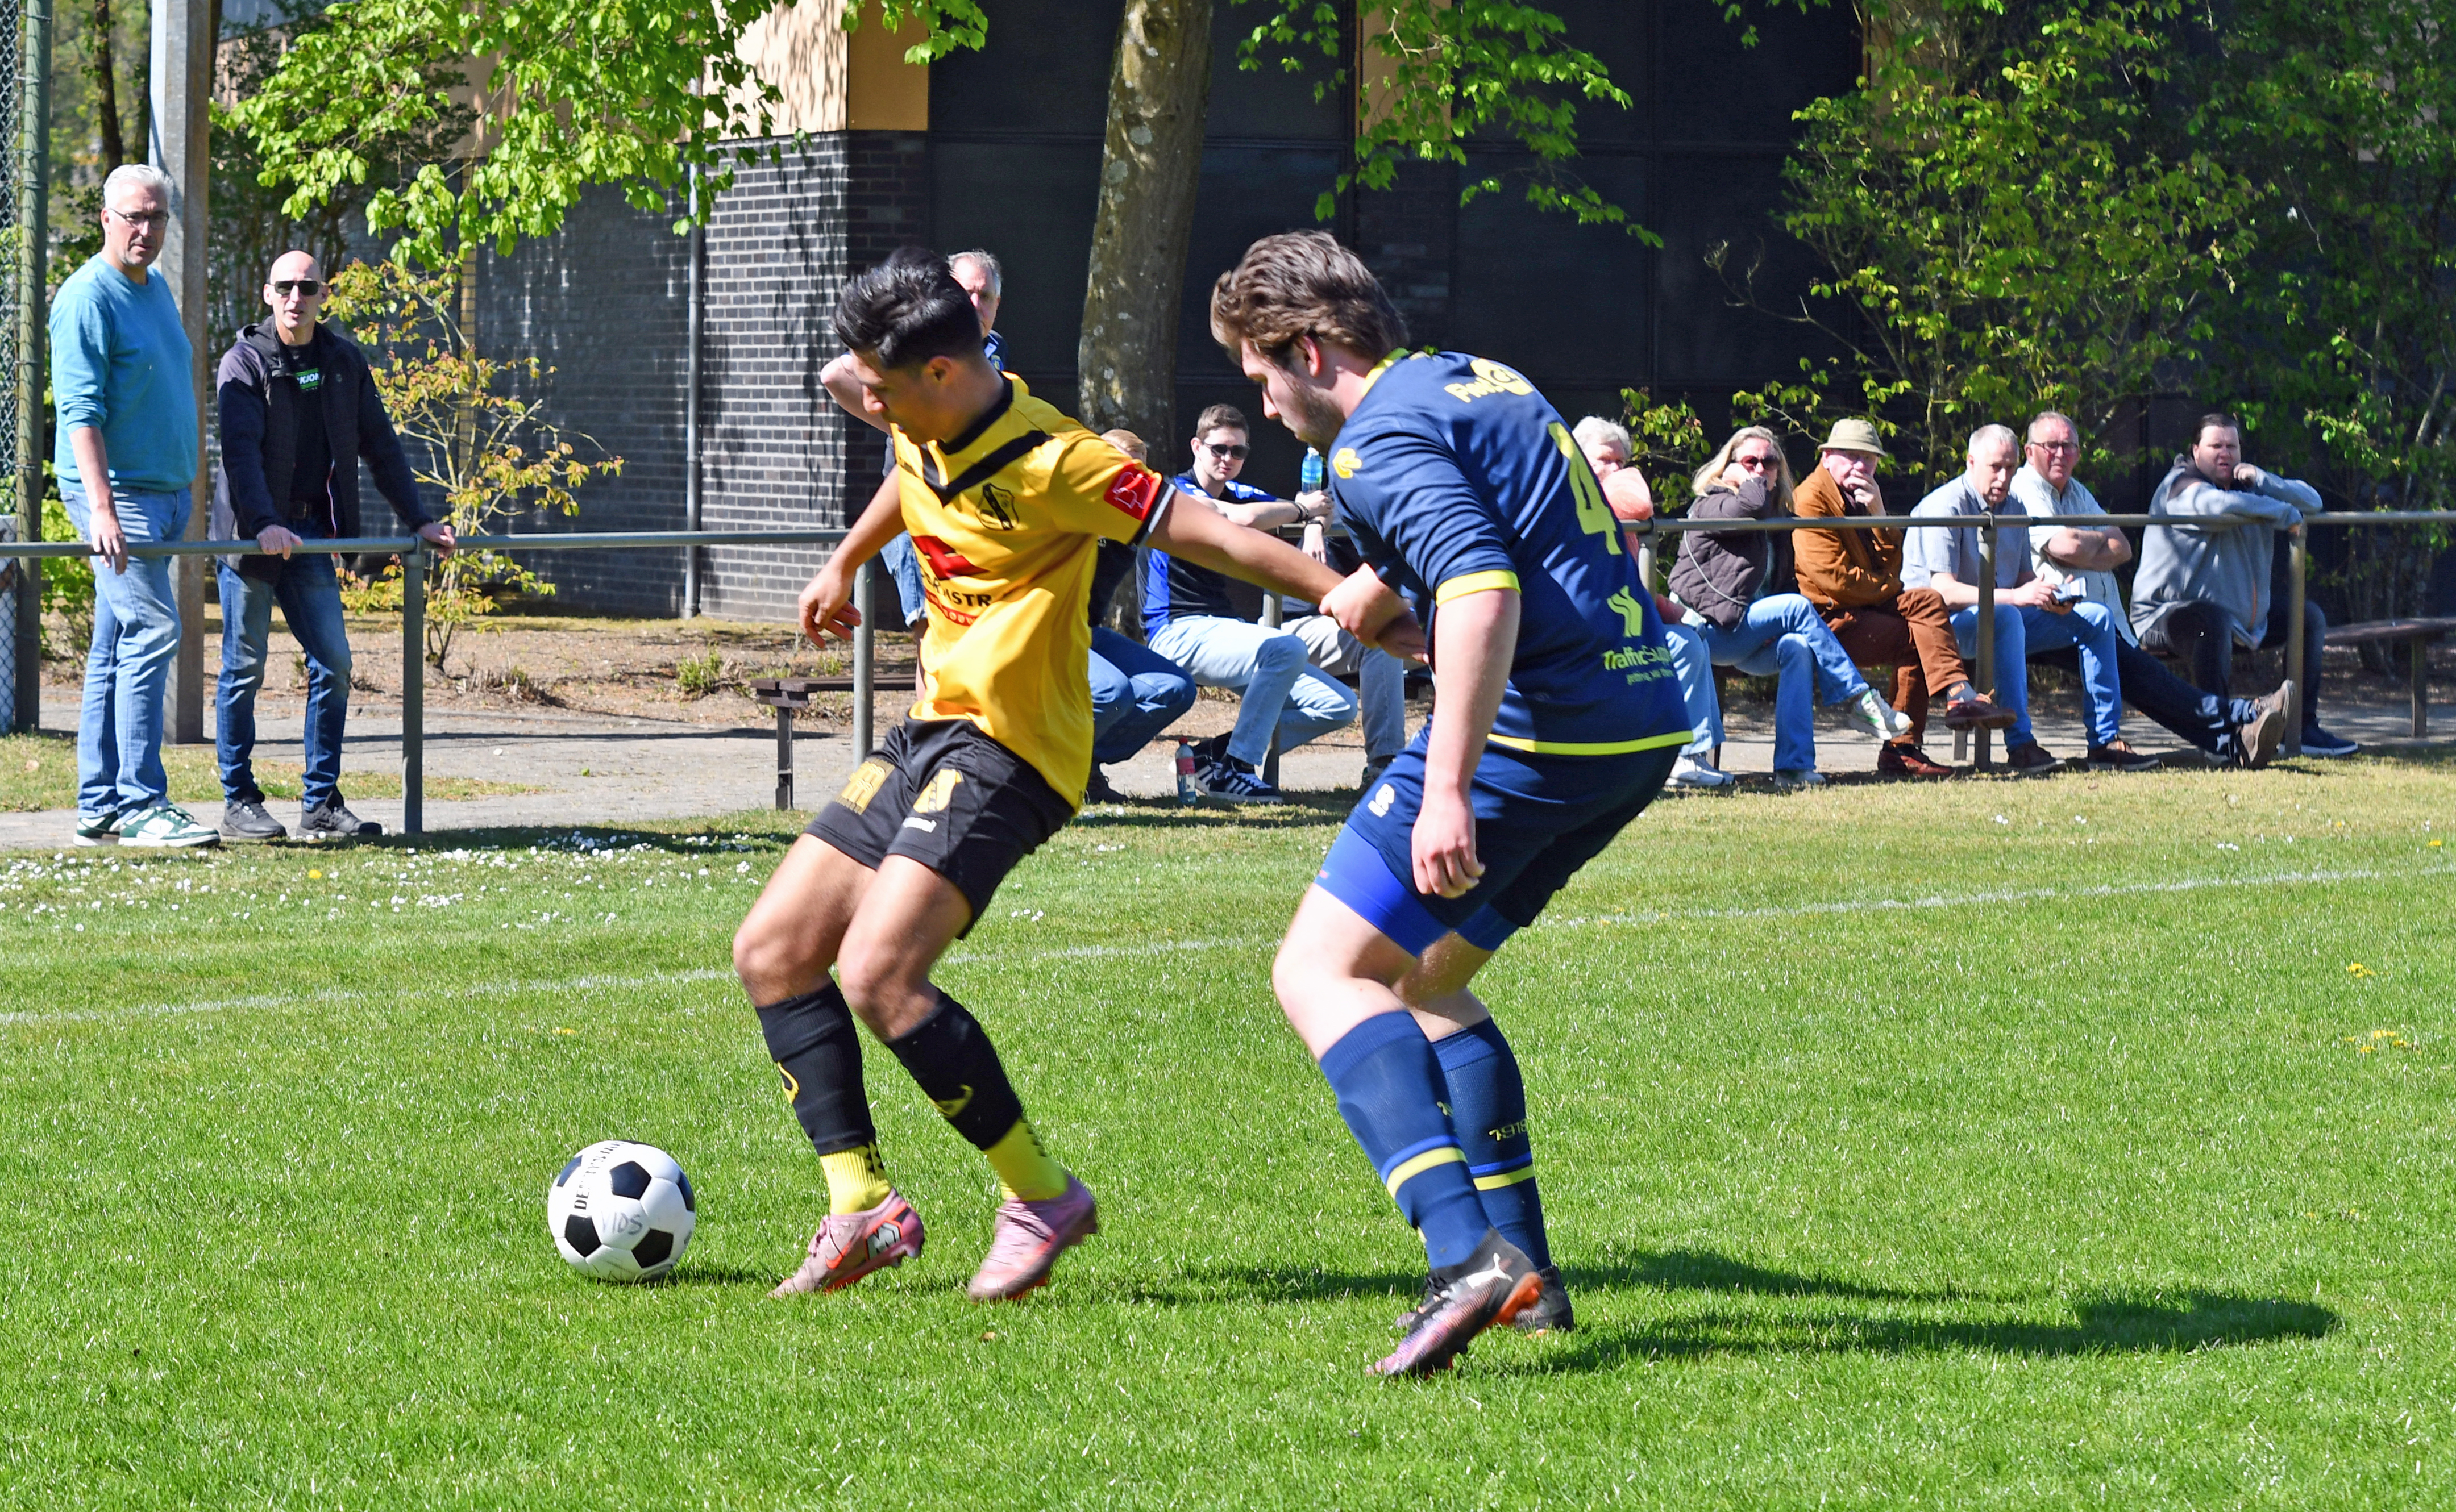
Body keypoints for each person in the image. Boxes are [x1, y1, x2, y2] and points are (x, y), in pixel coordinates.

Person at [733, 249, 1409, 1306]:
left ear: (946, 376)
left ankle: (1041, 1197)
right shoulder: (923, 419)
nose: (865, 395)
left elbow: (1217, 537)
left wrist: (1359, 603)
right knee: (773, 950)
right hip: (931, 728)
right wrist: (839, 562)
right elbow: (903, 477)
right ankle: (860, 1204)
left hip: (1016, 749)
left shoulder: (1061, 461)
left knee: (878, 974)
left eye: (882, 382)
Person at [1213, 231, 1695, 1375]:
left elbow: (1480, 587)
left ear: (1312, 349)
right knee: (1426, 980)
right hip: (1636, 721)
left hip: (1543, 725)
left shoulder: (1374, 441)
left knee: (1318, 971)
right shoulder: (1473, 377)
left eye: (1262, 375)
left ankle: (1461, 1254)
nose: (1268, 406)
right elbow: (1497, 537)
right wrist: (1359, 598)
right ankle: (1525, 1279)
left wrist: (1442, 788)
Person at [825, 252, 1192, 795]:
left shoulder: (993, 366)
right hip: (923, 523)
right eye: (964, 292)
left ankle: (1024, 769)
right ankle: (926, 771)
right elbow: (846, 385)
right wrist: (843, 561)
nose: (976, 305)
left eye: (986, 297)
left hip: (980, 522)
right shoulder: (916, 354)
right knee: (939, 648)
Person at [208, 251, 456, 841]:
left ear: (324, 295)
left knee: (336, 664)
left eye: (308, 287)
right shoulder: (245, 363)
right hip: (252, 538)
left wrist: (418, 519)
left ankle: (320, 802)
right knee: (244, 669)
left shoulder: (342, 363)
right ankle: (239, 802)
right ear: (268, 294)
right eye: (286, 287)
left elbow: (380, 443)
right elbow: (239, 453)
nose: (297, 297)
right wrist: (264, 522)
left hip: (313, 537)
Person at [53, 165, 216, 848]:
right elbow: (80, 413)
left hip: (164, 495)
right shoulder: (88, 296)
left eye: (155, 218)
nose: (144, 229)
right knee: (153, 631)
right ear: (106, 219)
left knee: (116, 645)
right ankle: (143, 801)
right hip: (118, 499)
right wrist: (100, 508)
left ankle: (100, 804)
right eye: (132, 217)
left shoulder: (153, 292)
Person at [2012, 412, 2291, 768]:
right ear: (2030, 450)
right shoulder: (2024, 491)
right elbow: (2066, 546)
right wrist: (2091, 545)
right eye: (2052, 446)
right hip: (2050, 616)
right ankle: (2244, 715)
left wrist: (2087, 546)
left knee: (2148, 681)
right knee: (2149, 678)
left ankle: (2234, 741)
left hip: (2093, 619)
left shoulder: (2075, 491)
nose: (2061, 454)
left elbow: (2121, 548)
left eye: (2069, 446)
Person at [1666, 427, 1916, 788]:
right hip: (1707, 630)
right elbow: (1747, 505)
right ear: (1730, 466)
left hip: (1746, 633)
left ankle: (1794, 767)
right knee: (1797, 608)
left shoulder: (1778, 517)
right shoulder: (1714, 501)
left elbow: (1786, 583)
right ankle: (1862, 700)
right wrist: (1742, 476)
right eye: (1750, 461)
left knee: (1797, 647)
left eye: (1770, 462)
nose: (1761, 469)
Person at [1903, 425, 2159, 773]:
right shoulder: (1945, 506)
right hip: (1943, 631)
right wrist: (2016, 596)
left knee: (2097, 617)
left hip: (2000, 617)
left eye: (2010, 468)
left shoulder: (2015, 506)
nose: (2005, 477)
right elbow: (1942, 591)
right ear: (1971, 461)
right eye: (1996, 467)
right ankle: (2021, 745)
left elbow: (2024, 577)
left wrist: (2049, 593)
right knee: (2007, 615)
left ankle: (2104, 742)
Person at [1142, 403, 1354, 802]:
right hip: (1175, 632)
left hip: (1224, 632)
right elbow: (1230, 518)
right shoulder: (1176, 490)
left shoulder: (1243, 493)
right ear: (1196, 447)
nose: (1227, 459)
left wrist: (1311, 528)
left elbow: (1319, 502)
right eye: (1218, 448)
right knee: (1286, 647)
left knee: (1337, 705)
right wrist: (1298, 511)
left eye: (1237, 452)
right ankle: (1238, 769)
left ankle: (1213, 758)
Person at [1790, 419, 2014, 778]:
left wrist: (1879, 514)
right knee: (1918, 640)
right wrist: (1887, 587)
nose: (1861, 467)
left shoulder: (1862, 495)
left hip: (1868, 603)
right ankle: (1902, 749)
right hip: (1829, 617)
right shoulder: (1811, 499)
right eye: (1850, 456)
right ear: (1827, 456)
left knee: (1926, 600)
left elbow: (1895, 560)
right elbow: (1834, 580)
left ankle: (1958, 694)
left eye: (1869, 459)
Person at [2133, 413, 2355, 756]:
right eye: (2215, 446)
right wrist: (2282, 512)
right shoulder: (2179, 485)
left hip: (2244, 621)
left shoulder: (2247, 486)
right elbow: (2216, 507)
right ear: (2195, 451)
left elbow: (2313, 501)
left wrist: (2264, 480)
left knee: (2308, 617)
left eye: (2231, 446)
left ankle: (2302, 728)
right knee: (2211, 622)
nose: (2225, 454)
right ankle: (2220, 737)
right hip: (2165, 617)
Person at [1578, 416, 1731, 789]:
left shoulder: (1611, 504)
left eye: (1621, 462)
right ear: (1578, 459)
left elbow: (1633, 587)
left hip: (1619, 619)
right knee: (1682, 645)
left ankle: (1693, 756)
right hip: (1584, 628)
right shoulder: (1579, 498)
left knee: (1693, 635)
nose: (1616, 469)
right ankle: (1682, 757)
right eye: (1605, 459)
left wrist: (1674, 611)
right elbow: (1639, 502)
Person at [1083, 430, 1198, 801]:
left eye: (1137, 469)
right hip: (1041, 630)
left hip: (1085, 631)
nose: (1127, 476)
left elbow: (1207, 520)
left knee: (1174, 688)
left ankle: (1084, 767)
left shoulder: (1135, 514)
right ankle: (1043, 774)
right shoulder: (1071, 504)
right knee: (1110, 692)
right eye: (1118, 465)